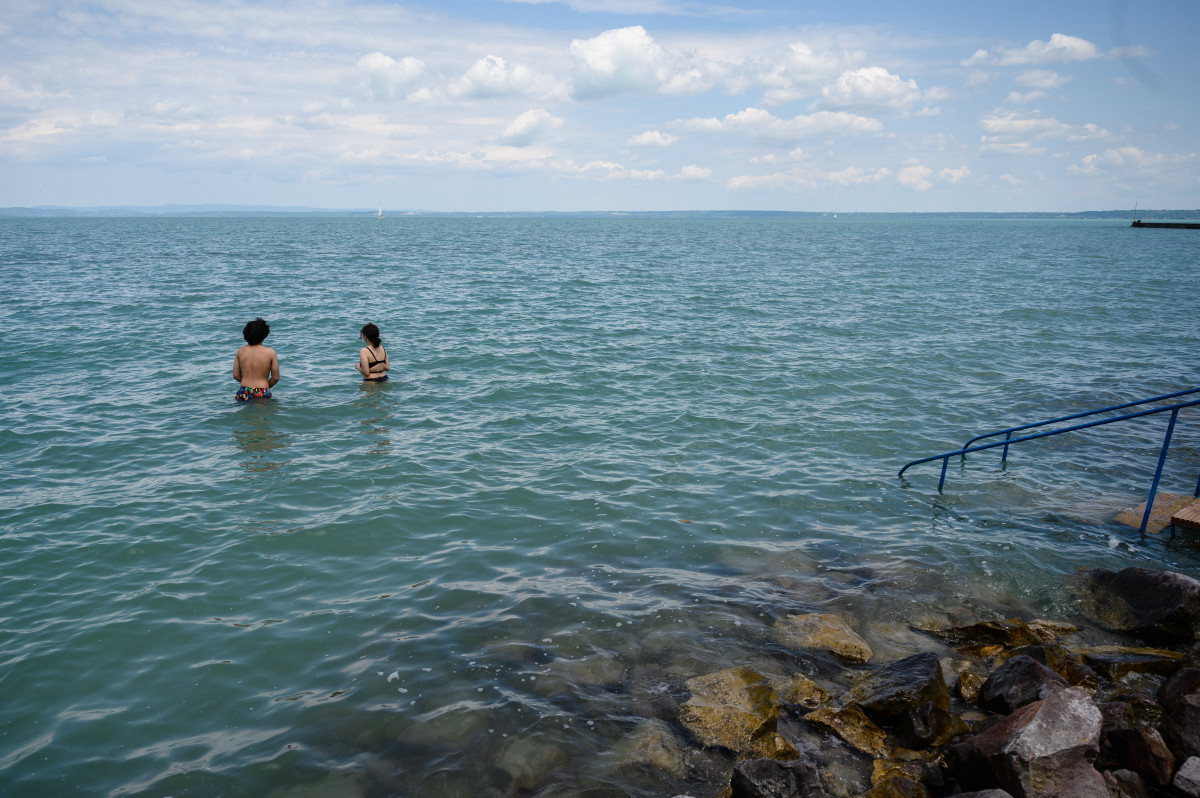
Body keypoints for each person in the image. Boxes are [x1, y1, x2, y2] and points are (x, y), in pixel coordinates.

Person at [233, 317, 279, 401]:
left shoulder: (240, 351)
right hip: (262, 391)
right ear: (265, 335)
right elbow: (275, 378)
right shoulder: (270, 353)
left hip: (244, 391)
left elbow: (236, 375)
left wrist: (248, 387)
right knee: (262, 413)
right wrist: (265, 387)